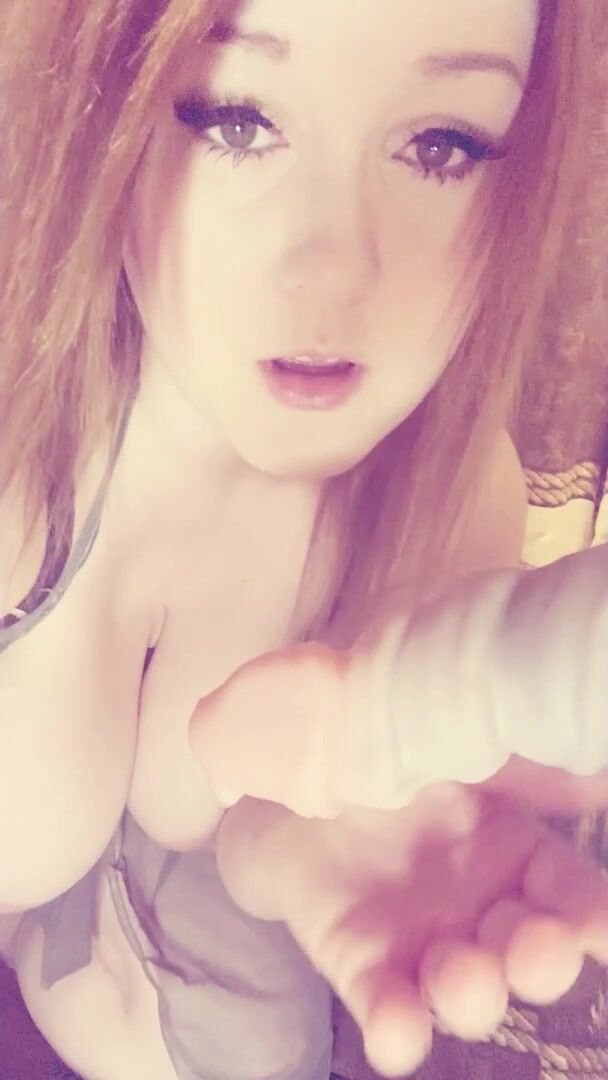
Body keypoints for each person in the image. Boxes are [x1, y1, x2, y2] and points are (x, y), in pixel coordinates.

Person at [0, 0, 605, 1077]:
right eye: (236, 119)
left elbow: (258, 816)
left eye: (441, 144)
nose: (336, 273)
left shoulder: (450, 490)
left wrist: (310, 839)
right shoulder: (21, 447)